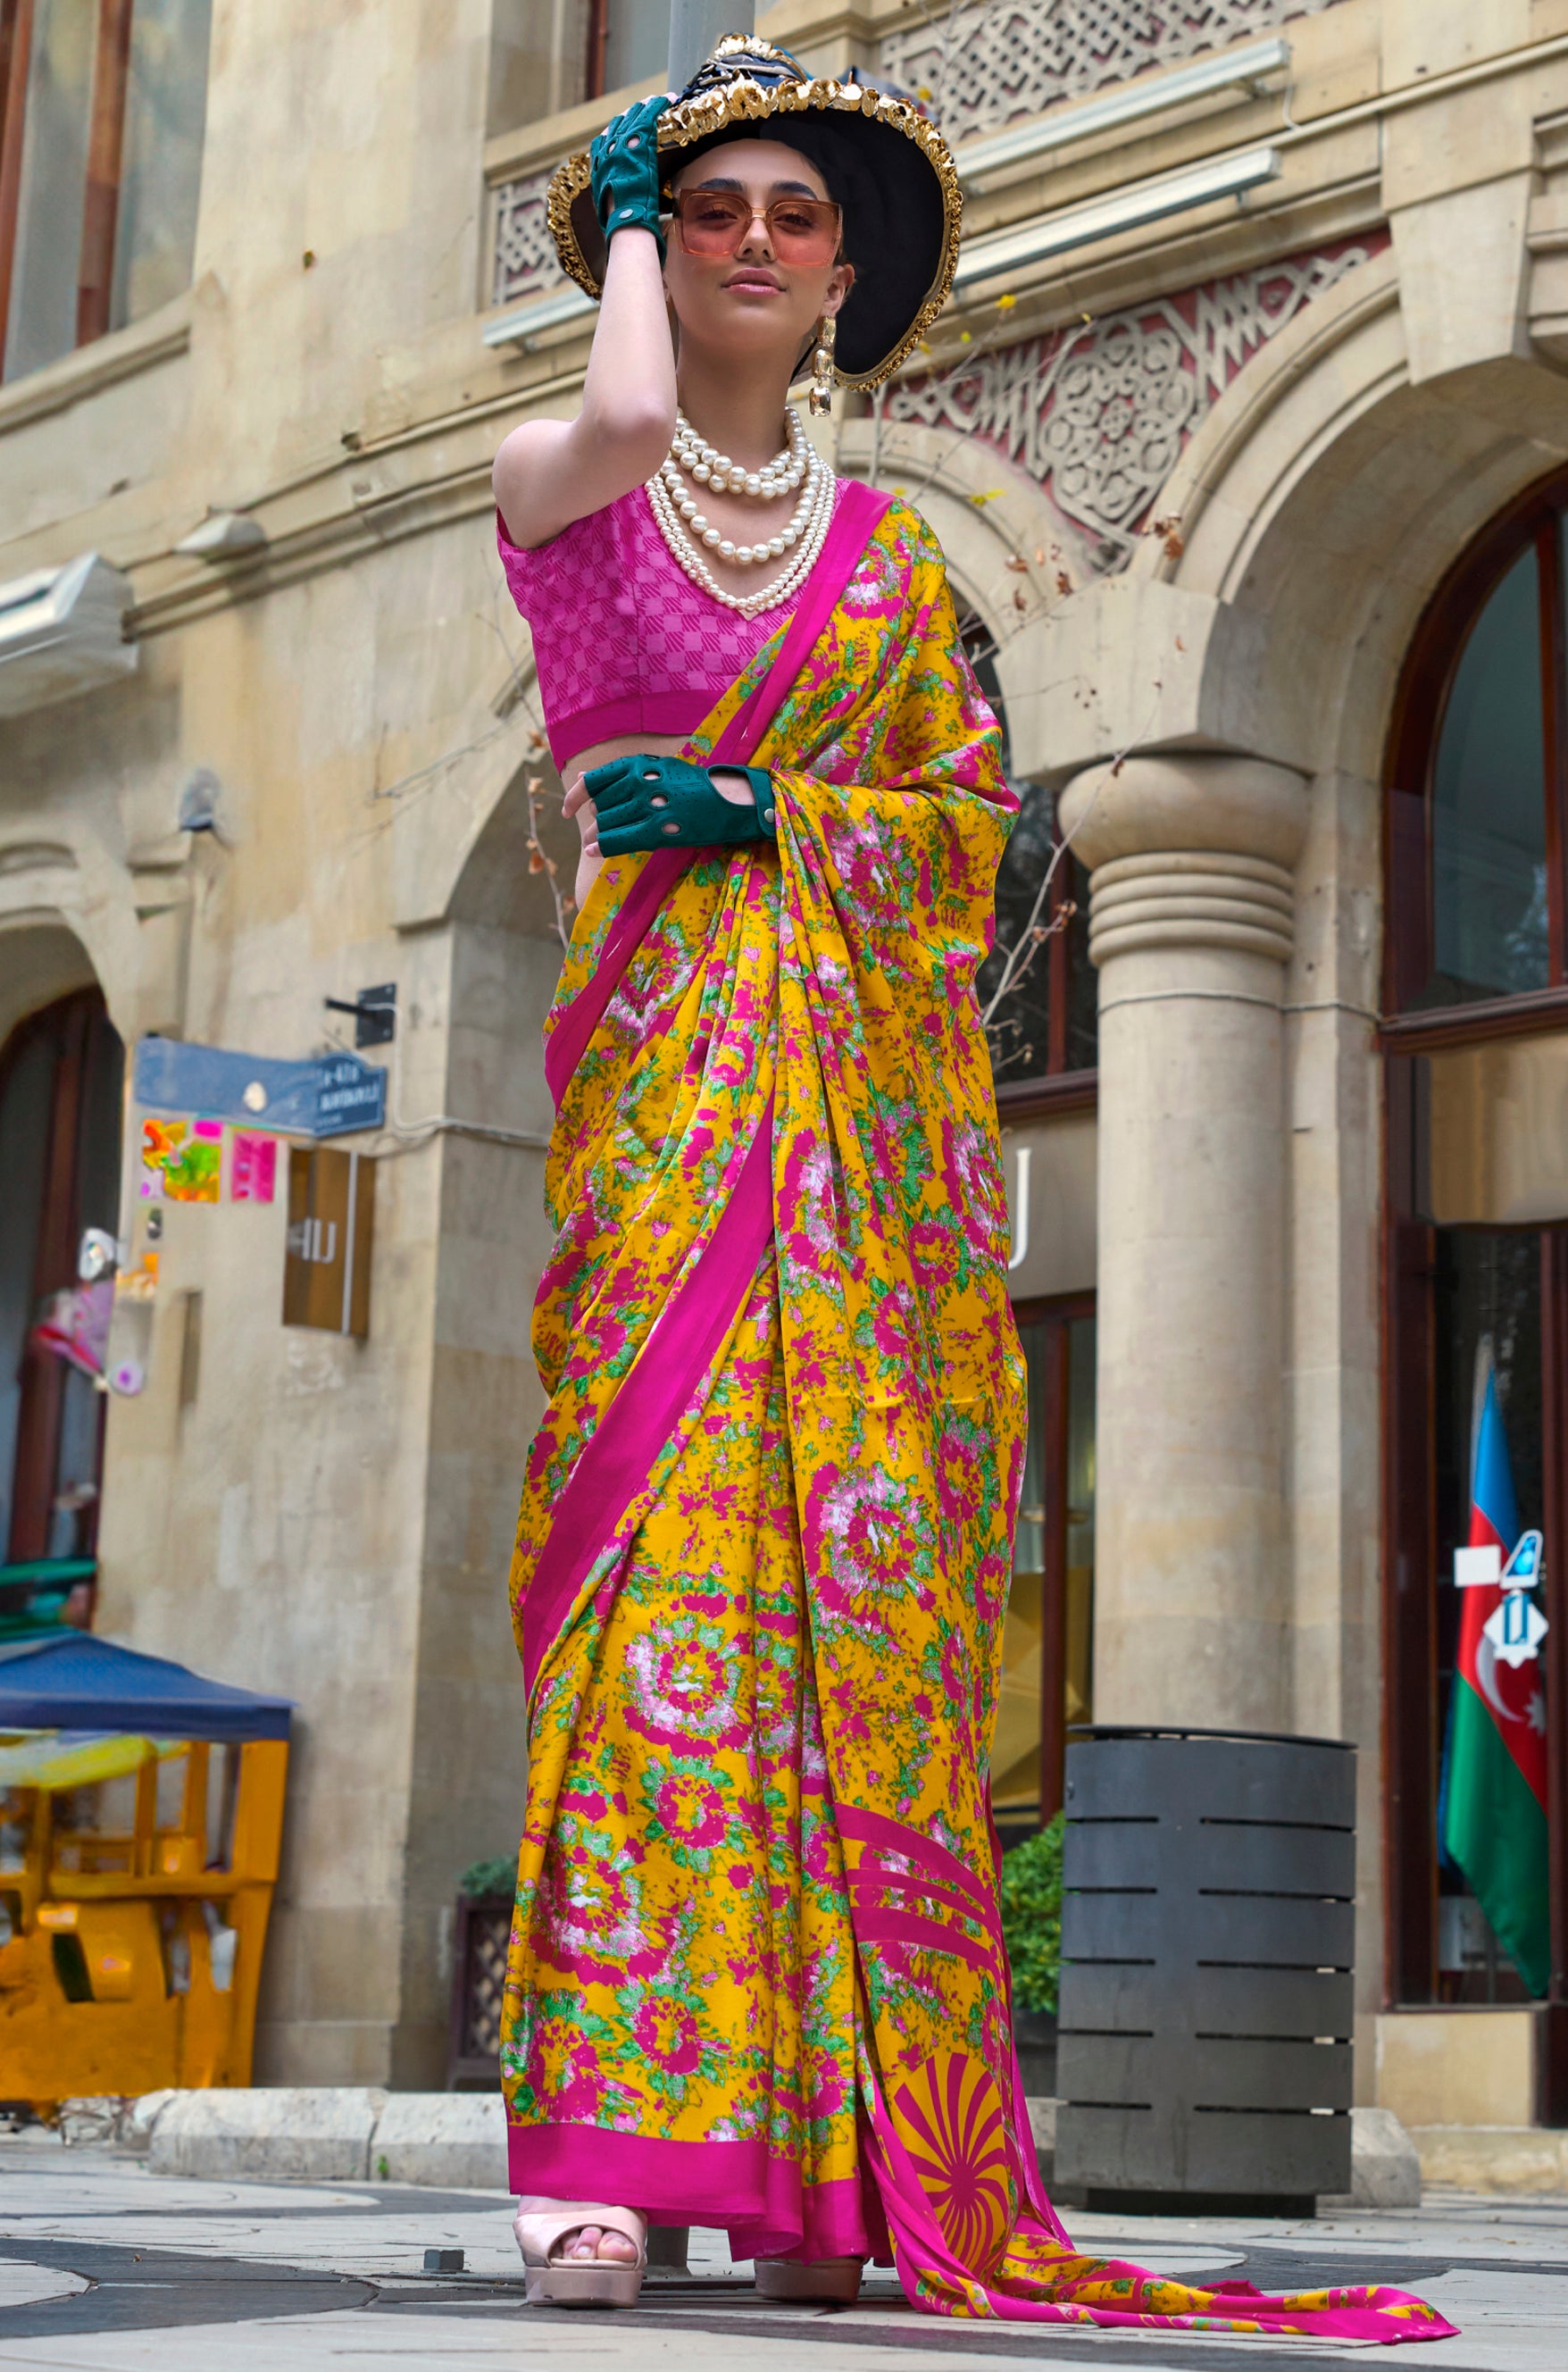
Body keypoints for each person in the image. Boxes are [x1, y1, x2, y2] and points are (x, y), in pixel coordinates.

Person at [489, 38, 1456, 2345]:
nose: (745, 242)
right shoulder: (563, 481)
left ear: (842, 278)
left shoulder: (897, 570)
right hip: (666, 1146)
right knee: (651, 1624)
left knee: (839, 1658)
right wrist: (616, 208)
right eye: (707, 206)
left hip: (847, 1182)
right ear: (651, 241)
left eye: (788, 217)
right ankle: (604, 2168)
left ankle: (813, 2155)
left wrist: (783, 826)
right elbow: (625, 427)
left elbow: (955, 855)